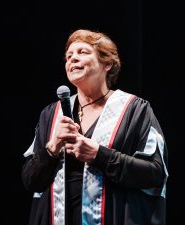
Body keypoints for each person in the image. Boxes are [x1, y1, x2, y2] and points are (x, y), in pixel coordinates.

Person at [21, 28, 168, 225]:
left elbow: (155, 174)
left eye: (82, 52)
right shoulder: (50, 114)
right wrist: (52, 147)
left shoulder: (135, 109)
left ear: (107, 64)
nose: (72, 59)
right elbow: (30, 180)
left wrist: (99, 155)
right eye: (69, 56)